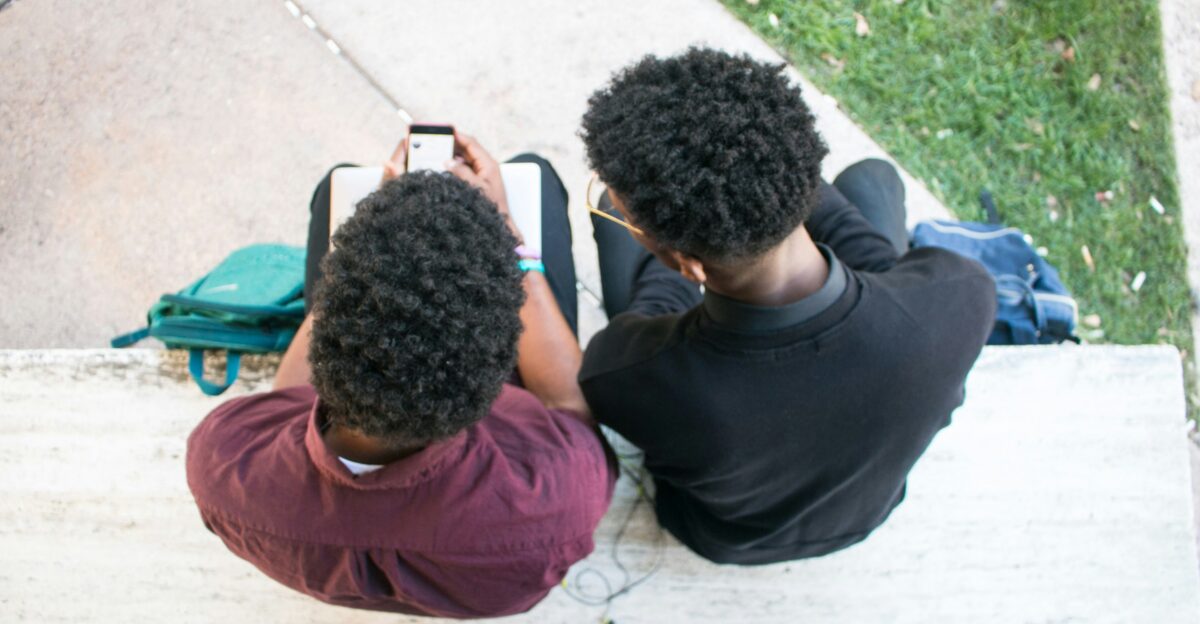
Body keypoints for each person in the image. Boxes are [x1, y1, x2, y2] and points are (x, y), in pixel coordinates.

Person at [578, 48, 996, 565]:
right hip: (864, 511)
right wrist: (775, 192)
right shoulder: (957, 296)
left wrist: (679, 267)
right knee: (873, 180)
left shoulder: (629, 373)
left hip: (728, 536)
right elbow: (882, 267)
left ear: (689, 265)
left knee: (608, 223)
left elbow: (652, 312)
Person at [186, 133, 616, 617]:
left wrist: (365, 248)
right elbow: (569, 410)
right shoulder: (556, 506)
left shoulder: (223, 463)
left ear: (325, 327)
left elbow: (291, 393)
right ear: (497, 382)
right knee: (535, 172)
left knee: (334, 186)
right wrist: (512, 244)